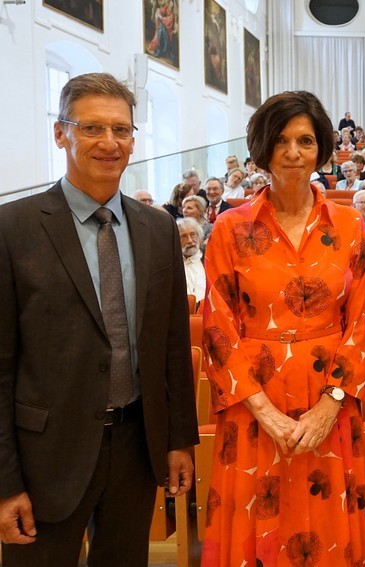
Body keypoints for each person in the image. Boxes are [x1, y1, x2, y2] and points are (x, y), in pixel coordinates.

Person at [0, 72, 197, 565]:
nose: (110, 142)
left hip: (135, 448)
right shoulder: (13, 227)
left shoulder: (157, 229)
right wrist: (4, 484)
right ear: (60, 133)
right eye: (92, 128)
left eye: (122, 130)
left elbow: (173, 348)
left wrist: (178, 441)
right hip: (46, 457)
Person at [200, 91, 365, 566]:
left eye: (305, 140)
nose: (293, 153)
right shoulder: (229, 228)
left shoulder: (349, 226)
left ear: (321, 146)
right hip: (253, 406)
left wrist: (329, 406)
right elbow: (218, 328)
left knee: (327, 530)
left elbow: (359, 323)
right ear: (262, 148)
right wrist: (265, 412)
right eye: (280, 140)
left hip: (330, 403)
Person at [177, 217, 206, 301]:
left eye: (192, 234)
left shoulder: (209, 260)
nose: (190, 241)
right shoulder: (172, 264)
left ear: (199, 236)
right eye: (183, 237)